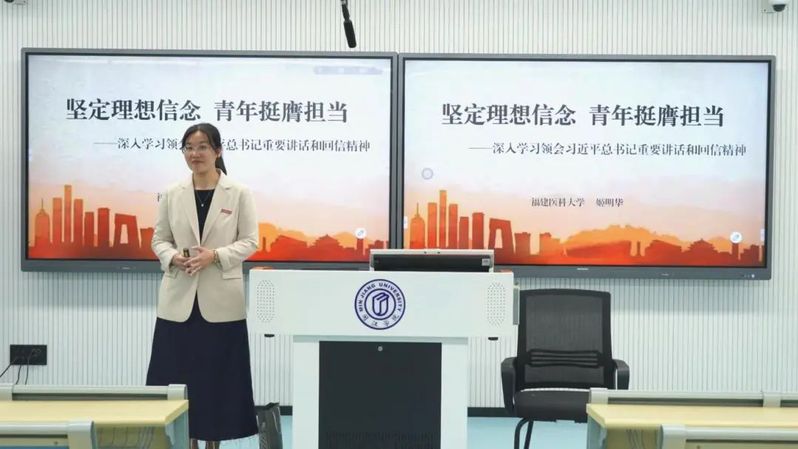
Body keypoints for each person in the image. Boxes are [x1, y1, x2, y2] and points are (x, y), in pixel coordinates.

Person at [147, 123, 259, 449]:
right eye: (189, 148)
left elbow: (250, 241)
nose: (195, 154)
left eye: (202, 147)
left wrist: (216, 256)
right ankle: (187, 442)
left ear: (217, 151)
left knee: (217, 381)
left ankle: (214, 443)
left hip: (222, 303)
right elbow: (159, 239)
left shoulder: (239, 192)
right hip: (178, 301)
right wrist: (172, 257)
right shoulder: (172, 193)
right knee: (178, 379)